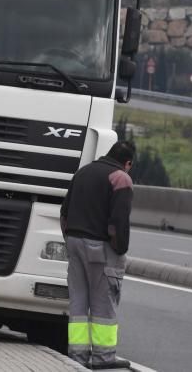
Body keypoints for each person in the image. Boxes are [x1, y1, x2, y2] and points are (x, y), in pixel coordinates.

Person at [60, 140, 136, 370]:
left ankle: (77, 356)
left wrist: (71, 240)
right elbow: (118, 222)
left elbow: (64, 213)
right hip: (100, 247)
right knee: (104, 303)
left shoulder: (83, 172)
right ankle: (103, 358)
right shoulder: (121, 178)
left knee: (79, 303)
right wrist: (119, 248)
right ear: (128, 162)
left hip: (73, 242)